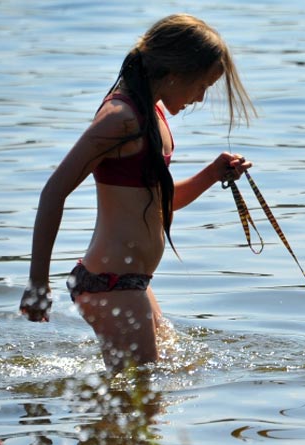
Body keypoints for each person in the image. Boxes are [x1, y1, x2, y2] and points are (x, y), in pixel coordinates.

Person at [19, 14, 256, 372]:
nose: (200, 98)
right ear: (176, 72)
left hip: (133, 284)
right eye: (201, 86)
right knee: (143, 397)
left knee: (166, 383)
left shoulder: (152, 115)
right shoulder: (120, 118)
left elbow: (160, 203)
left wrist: (212, 174)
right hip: (111, 285)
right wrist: (38, 283)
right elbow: (53, 192)